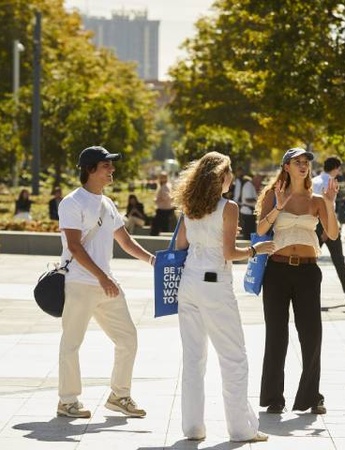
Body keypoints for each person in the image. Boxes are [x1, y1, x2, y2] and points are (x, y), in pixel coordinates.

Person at [173, 151, 274, 443]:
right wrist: (258, 250)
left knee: (193, 358)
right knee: (234, 358)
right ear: (221, 176)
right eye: (229, 173)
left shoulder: (189, 207)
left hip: (189, 282)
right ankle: (241, 428)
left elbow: (180, 245)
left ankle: (193, 428)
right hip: (215, 284)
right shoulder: (227, 207)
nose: (232, 178)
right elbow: (230, 253)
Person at [57, 145, 156, 419]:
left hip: (105, 285)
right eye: (106, 165)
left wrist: (151, 260)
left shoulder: (107, 203)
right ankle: (67, 401)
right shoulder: (72, 202)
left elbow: (125, 241)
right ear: (90, 170)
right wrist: (102, 277)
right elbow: (75, 247)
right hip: (80, 283)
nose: (112, 169)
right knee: (71, 343)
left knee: (128, 339)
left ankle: (119, 395)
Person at [256, 147, 339, 415]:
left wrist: (329, 203)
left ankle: (311, 396)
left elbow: (333, 235)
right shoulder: (273, 194)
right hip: (277, 271)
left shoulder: (316, 199)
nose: (303, 166)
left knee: (311, 334)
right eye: (297, 162)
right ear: (286, 166)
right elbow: (259, 229)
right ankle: (273, 397)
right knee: (276, 335)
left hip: (307, 271)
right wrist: (278, 207)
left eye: (306, 162)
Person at [312, 156, 345, 304]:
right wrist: (326, 230)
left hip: (314, 223)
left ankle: (307, 292)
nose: (340, 171)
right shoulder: (330, 182)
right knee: (338, 260)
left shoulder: (314, 181)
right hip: (326, 223)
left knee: (310, 260)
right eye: (339, 168)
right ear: (335, 168)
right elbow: (328, 206)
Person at [233, 167, 258, 240]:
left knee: (246, 234)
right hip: (248, 212)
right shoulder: (248, 184)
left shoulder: (241, 182)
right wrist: (258, 201)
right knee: (249, 235)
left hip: (245, 211)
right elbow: (248, 200)